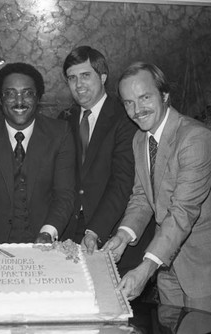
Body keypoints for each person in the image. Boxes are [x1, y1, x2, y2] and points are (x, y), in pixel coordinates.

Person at [104, 62, 211, 318]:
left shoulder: (195, 138)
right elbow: (142, 197)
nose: (137, 109)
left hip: (202, 264)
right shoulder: (139, 138)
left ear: (164, 95)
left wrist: (146, 267)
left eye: (144, 97)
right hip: (166, 264)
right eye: (128, 102)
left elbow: (183, 210)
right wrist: (123, 235)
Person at [59, 46, 153, 275]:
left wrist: (94, 231)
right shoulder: (63, 120)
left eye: (85, 75)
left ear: (102, 77)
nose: (78, 84)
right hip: (69, 235)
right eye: (72, 78)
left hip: (110, 234)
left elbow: (122, 182)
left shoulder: (126, 117)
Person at [0, 62, 75, 244]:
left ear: (38, 98)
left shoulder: (60, 133)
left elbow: (64, 195)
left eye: (28, 93)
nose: (19, 101)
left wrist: (48, 233)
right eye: (10, 94)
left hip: (46, 241)